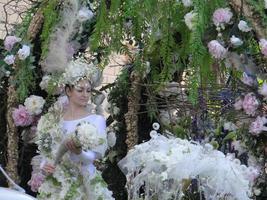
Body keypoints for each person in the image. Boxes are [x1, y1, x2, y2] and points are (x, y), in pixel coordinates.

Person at [28, 60, 114, 200]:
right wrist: (45, 166)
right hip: (58, 185)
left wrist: (79, 153)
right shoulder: (53, 121)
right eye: (80, 90)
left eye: (88, 90)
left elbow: (92, 157)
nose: (85, 94)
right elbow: (47, 155)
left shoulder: (97, 120)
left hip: (86, 185)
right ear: (68, 91)